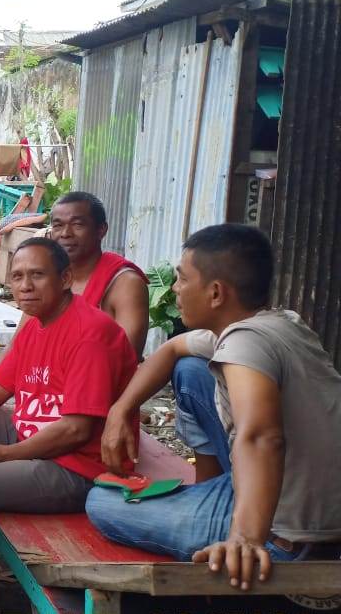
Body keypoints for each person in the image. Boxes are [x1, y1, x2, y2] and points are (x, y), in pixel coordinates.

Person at [87, 224, 341, 591]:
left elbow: (262, 436)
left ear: (216, 293)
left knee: (101, 503)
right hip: (305, 494)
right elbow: (172, 349)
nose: (175, 289)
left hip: (291, 533)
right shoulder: (278, 323)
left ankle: (243, 532)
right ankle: (212, 497)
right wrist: (121, 409)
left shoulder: (244, 344)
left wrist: (245, 538)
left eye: (182, 278)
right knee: (190, 370)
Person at [0, 237, 138, 614]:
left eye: (37, 275)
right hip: (33, 437)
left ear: (65, 279)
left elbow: (76, 431)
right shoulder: (36, 324)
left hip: (79, 468)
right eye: (17, 276)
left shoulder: (90, 334)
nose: (25, 286)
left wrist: (6, 455)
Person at [47, 191, 150, 354]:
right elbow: (19, 344)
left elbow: (126, 357)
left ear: (101, 230)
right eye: (58, 226)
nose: (65, 233)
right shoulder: (49, 279)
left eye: (77, 225)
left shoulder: (126, 284)